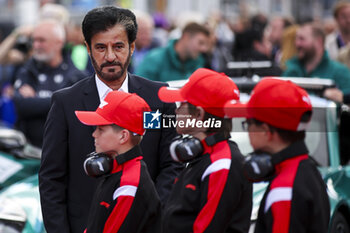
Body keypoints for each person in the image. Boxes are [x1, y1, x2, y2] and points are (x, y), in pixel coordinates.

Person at [39, 6, 181, 233]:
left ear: (132, 47)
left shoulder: (158, 98)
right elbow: (51, 179)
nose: (110, 56)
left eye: (118, 46)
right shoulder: (66, 103)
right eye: (101, 47)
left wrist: (152, 216)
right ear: (87, 48)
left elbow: (171, 166)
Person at [225, 78, 330, 233]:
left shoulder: (284, 190)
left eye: (247, 123)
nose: (247, 131)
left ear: (265, 131)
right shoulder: (309, 170)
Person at [159, 68, 252, 233]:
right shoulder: (203, 155)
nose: (176, 110)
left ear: (199, 114)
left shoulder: (222, 162)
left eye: (182, 104)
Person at [75, 91, 161, 233]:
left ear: (123, 136)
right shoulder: (115, 170)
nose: (94, 134)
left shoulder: (129, 184)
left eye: (100, 129)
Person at [12, 19, 85, 147]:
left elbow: (73, 109)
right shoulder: (26, 71)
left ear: (59, 43)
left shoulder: (76, 76)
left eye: (41, 40)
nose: (36, 45)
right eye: (34, 40)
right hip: (28, 150)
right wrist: (60, 100)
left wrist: (36, 99)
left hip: (62, 149)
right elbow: (21, 105)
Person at [283, 22, 350, 102]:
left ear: (319, 42)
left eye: (302, 39)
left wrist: (342, 97)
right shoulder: (291, 70)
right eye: (296, 39)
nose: (297, 43)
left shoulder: (339, 72)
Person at [135, 22, 210, 82]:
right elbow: (138, 88)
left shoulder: (198, 62)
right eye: (200, 43)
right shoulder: (154, 59)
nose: (204, 49)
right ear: (186, 37)